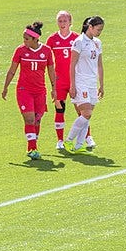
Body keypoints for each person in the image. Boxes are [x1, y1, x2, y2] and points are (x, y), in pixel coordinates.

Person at [2, 21, 56, 160]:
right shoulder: (20, 50)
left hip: (40, 91)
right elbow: (12, 70)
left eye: (27, 39)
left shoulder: (46, 51)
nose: (24, 41)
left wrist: (54, 89)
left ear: (35, 39)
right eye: (23, 38)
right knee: (29, 119)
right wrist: (6, 87)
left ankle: (33, 146)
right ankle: (32, 148)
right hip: (24, 90)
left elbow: (51, 71)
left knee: (37, 121)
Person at [64, 16, 105, 153]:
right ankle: (69, 140)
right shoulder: (79, 42)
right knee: (86, 113)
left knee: (88, 115)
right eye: (98, 29)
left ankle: (79, 145)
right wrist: (72, 85)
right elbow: (72, 64)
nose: (100, 32)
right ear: (90, 27)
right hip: (81, 81)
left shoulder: (98, 43)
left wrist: (102, 84)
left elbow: (99, 65)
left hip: (92, 83)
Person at [46, 11, 79, 149]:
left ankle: (88, 137)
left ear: (70, 22)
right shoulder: (52, 39)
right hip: (60, 81)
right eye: (60, 21)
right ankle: (60, 141)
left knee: (82, 110)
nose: (62, 23)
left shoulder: (77, 38)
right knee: (60, 110)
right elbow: (47, 59)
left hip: (75, 80)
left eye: (65, 21)